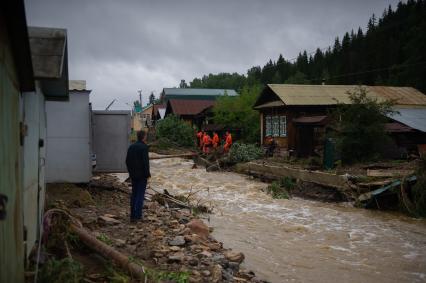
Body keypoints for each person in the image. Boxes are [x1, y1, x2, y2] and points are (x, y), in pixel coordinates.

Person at [125, 130, 151, 222]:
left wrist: (130, 172)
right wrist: (147, 174)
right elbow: (145, 163)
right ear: (143, 137)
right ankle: (138, 216)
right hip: (142, 176)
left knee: (134, 194)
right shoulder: (144, 147)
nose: (146, 137)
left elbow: (127, 161)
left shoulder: (131, 147)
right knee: (140, 195)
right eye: (146, 136)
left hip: (133, 175)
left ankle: (132, 215)